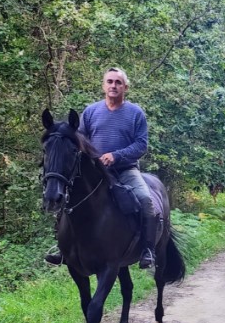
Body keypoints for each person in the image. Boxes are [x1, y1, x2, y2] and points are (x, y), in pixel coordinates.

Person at [45, 67, 160, 269]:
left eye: (118, 82)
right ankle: (63, 249)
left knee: (146, 200)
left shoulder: (135, 113)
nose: (113, 86)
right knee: (67, 198)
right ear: (103, 85)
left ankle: (147, 249)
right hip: (95, 172)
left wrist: (116, 156)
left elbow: (141, 145)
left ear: (125, 87)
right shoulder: (91, 112)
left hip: (126, 170)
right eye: (109, 82)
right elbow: (78, 140)